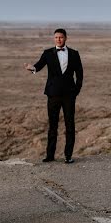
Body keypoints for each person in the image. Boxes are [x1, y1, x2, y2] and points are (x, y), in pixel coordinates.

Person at [24, 28, 83, 164]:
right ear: (54, 39)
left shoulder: (74, 54)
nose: (58, 39)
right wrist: (31, 68)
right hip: (53, 94)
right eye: (56, 37)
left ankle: (68, 156)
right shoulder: (48, 53)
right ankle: (50, 155)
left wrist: (76, 90)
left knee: (70, 125)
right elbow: (39, 66)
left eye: (61, 37)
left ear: (65, 38)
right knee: (52, 125)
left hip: (69, 95)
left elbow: (79, 73)